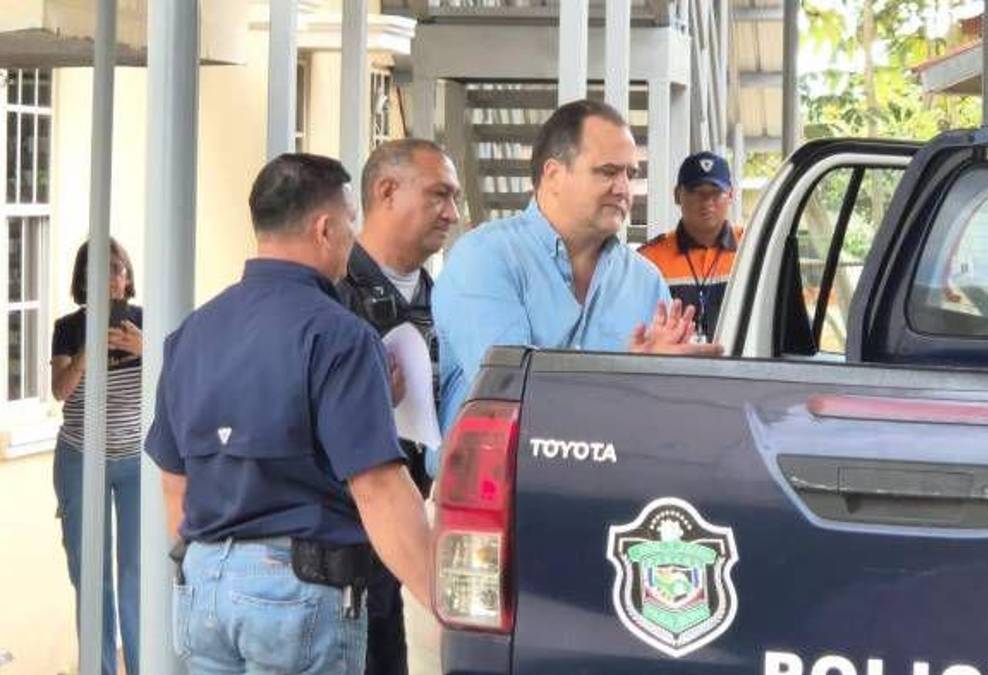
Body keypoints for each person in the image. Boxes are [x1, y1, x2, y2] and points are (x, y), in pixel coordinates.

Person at [144, 153, 431, 675]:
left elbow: (174, 481)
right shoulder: (340, 335)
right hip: (296, 592)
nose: (353, 236)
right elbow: (378, 489)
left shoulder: (192, 333)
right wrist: (445, 600)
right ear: (325, 229)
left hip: (203, 587)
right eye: (350, 222)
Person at [433, 99, 721, 431]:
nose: (624, 189)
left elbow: (666, 416)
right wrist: (633, 379)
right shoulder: (484, 257)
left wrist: (675, 380)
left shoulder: (645, 280)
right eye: (607, 172)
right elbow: (511, 392)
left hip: (617, 464)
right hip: (502, 465)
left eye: (630, 174)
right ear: (554, 175)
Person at [338, 138, 461, 675]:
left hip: (416, 533)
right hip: (340, 547)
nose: (452, 213)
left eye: (455, 198)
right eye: (439, 195)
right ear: (386, 192)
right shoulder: (331, 295)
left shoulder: (449, 299)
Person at [50, 238, 143, 675]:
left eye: (117, 270)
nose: (110, 280)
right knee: (92, 574)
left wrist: (146, 349)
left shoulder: (143, 323)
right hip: (80, 458)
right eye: (99, 271)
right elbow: (61, 391)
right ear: (84, 281)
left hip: (135, 462)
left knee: (136, 574)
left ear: (127, 278)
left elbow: (179, 377)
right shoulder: (68, 328)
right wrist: (88, 351)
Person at [638, 151, 742, 343]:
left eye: (716, 192)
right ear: (677, 195)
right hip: (672, 362)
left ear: (730, 195)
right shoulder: (648, 259)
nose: (707, 201)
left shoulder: (751, 248)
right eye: (696, 191)